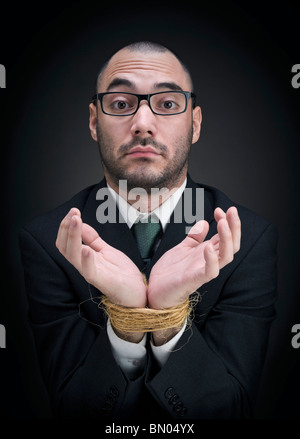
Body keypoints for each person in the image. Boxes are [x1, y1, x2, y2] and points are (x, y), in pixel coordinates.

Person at [19, 41, 278, 419]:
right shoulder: (48, 241)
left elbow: (229, 409)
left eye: (168, 104)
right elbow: (71, 406)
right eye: (121, 104)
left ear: (196, 124)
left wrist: (168, 318)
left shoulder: (248, 240)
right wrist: (126, 321)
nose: (142, 123)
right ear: (94, 121)